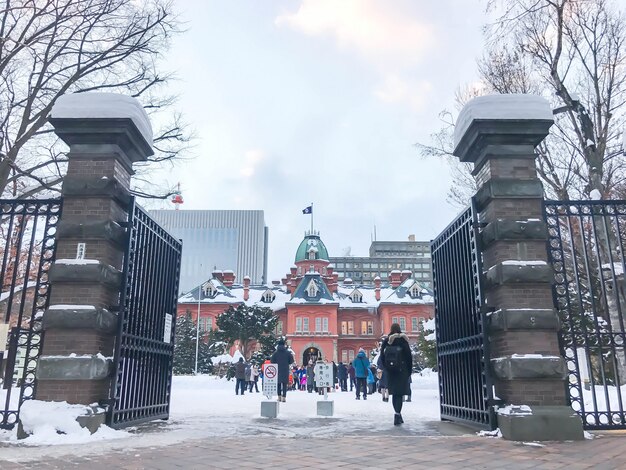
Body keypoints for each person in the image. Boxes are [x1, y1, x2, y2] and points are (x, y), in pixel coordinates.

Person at [380, 323, 413, 425]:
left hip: (391, 371)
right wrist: (409, 370)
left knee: (394, 393)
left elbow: (382, 356)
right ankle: (397, 414)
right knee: (400, 394)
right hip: (402, 371)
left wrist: (386, 368)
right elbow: (409, 357)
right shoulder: (404, 340)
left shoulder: (387, 341)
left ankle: (397, 414)